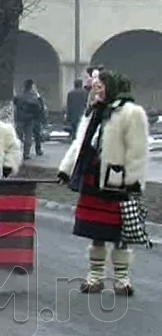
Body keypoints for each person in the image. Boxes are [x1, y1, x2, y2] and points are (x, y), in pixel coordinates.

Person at [58, 71, 149, 296]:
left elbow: (137, 151)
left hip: (118, 181)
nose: (95, 90)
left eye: (100, 86)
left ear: (112, 87)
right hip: (92, 178)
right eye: (94, 87)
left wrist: (133, 181)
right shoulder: (94, 113)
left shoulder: (131, 113)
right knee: (95, 230)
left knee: (120, 232)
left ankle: (122, 278)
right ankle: (95, 276)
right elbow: (81, 143)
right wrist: (65, 169)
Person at [13, 79, 43, 160]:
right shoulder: (34, 98)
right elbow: (39, 108)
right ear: (31, 87)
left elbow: (14, 102)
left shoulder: (19, 97)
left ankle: (17, 152)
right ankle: (26, 154)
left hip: (19, 119)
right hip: (30, 120)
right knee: (28, 137)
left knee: (18, 136)